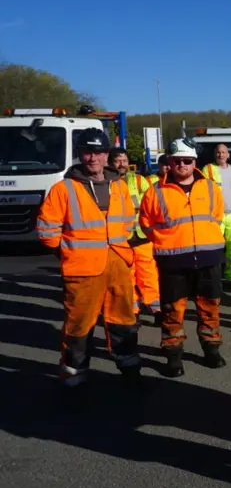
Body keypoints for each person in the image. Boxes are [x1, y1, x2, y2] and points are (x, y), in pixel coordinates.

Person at [36, 129, 142, 394]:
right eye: (86, 151)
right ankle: (74, 382)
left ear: (107, 154)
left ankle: (131, 373)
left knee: (124, 323)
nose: (92, 157)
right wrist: (69, 253)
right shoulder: (64, 189)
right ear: (80, 154)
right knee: (78, 329)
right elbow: (47, 231)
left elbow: (128, 221)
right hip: (82, 269)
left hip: (118, 264)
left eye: (97, 152)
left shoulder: (118, 185)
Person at [140, 138, 227, 378]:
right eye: (177, 160)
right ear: (169, 161)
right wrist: (170, 242)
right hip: (173, 264)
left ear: (195, 162)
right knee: (172, 313)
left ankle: (211, 350)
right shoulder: (155, 192)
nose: (182, 165)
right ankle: (174, 357)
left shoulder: (210, 187)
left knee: (210, 310)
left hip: (208, 261)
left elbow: (216, 218)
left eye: (187, 161)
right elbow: (146, 225)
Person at [108, 148, 162, 325]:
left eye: (124, 160)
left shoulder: (139, 180)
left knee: (148, 274)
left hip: (142, 236)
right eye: (118, 161)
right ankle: (134, 311)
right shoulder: (107, 183)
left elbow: (152, 203)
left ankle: (156, 309)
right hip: (120, 240)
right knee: (127, 278)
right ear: (111, 163)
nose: (122, 164)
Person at [202, 144, 231, 283]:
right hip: (216, 216)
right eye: (218, 152)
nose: (221, 155)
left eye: (223, 152)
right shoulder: (208, 169)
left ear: (228, 155)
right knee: (214, 248)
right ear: (215, 154)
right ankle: (213, 278)